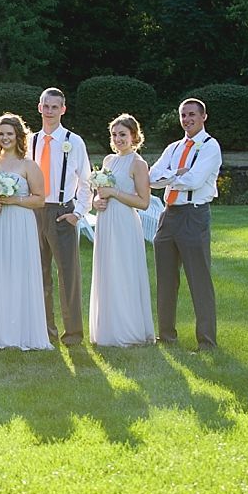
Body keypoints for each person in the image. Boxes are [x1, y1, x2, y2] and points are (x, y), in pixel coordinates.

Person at [0, 114, 52, 351]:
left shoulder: (28, 165)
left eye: (9, 134)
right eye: (1, 134)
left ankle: (20, 332)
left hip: (19, 224)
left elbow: (39, 200)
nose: (5, 138)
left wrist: (14, 199)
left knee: (18, 272)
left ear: (18, 137)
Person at [149, 98, 223, 350]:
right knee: (165, 279)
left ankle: (206, 342)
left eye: (192, 114)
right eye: (183, 115)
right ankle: (166, 336)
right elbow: (151, 178)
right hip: (168, 216)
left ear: (203, 117)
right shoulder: (173, 148)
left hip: (194, 215)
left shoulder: (210, 147)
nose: (187, 119)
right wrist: (176, 173)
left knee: (199, 279)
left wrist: (171, 176)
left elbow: (194, 180)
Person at [28, 87, 92, 346]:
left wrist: (78, 213)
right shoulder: (30, 140)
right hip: (34, 211)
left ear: (63, 109)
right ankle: (45, 330)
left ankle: (73, 334)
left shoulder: (73, 141)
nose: (50, 111)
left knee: (68, 275)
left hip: (61, 211)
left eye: (55, 107)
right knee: (38, 273)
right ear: (39, 107)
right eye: (46, 106)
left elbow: (87, 181)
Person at [89, 114, 156, 347]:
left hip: (125, 224)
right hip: (106, 221)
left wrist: (113, 193)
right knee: (107, 271)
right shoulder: (108, 161)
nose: (118, 139)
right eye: (114, 135)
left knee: (124, 272)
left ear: (134, 137)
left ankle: (129, 330)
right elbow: (100, 192)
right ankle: (107, 330)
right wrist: (96, 201)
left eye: (123, 135)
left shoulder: (138, 164)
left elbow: (144, 202)